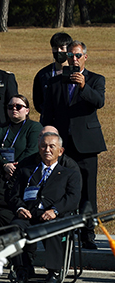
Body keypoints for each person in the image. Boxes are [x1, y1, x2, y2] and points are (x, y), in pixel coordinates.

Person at [39, 40, 105, 250]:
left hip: (86, 145)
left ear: (85, 56)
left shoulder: (96, 79)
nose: (73, 59)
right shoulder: (56, 82)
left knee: (87, 191)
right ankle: (63, 232)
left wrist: (83, 86)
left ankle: (88, 233)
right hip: (62, 146)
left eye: (77, 55)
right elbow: (47, 114)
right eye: (70, 56)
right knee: (60, 188)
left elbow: (99, 102)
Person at [4, 131, 81, 283]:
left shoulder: (70, 174)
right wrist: (19, 208)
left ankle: (53, 273)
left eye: (52, 146)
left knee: (53, 228)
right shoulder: (26, 171)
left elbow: (73, 198)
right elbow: (13, 195)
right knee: (14, 228)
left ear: (60, 151)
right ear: (39, 149)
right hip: (29, 215)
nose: (47, 150)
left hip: (54, 216)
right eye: (43, 146)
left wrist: (55, 210)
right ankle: (22, 270)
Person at [0, 94, 42, 223]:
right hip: (1, 171)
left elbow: (31, 150)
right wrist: (4, 164)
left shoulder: (34, 127)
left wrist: (15, 169)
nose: (14, 109)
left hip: (24, 172)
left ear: (27, 110)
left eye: (19, 106)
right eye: (10, 107)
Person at [32, 31, 73, 115]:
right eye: (55, 48)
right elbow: (38, 102)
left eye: (62, 48)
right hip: (50, 120)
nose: (58, 51)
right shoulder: (43, 74)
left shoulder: (76, 72)